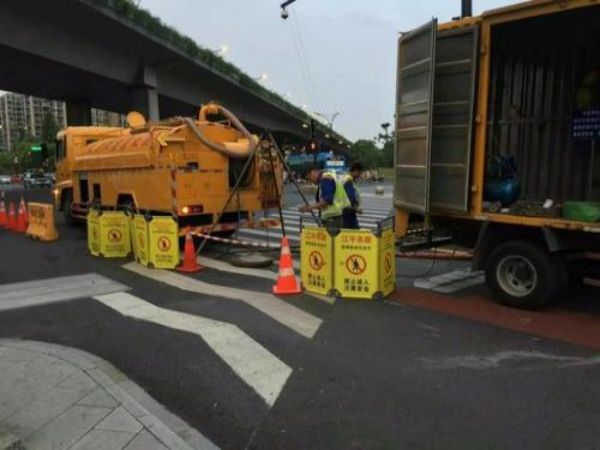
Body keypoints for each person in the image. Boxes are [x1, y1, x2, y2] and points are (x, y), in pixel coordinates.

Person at [341, 163, 364, 229]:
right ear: (356, 171)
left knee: (351, 232)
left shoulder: (347, 179)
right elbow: (350, 195)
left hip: (348, 211)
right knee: (352, 232)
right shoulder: (348, 180)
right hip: (347, 211)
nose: (360, 175)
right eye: (359, 173)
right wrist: (356, 208)